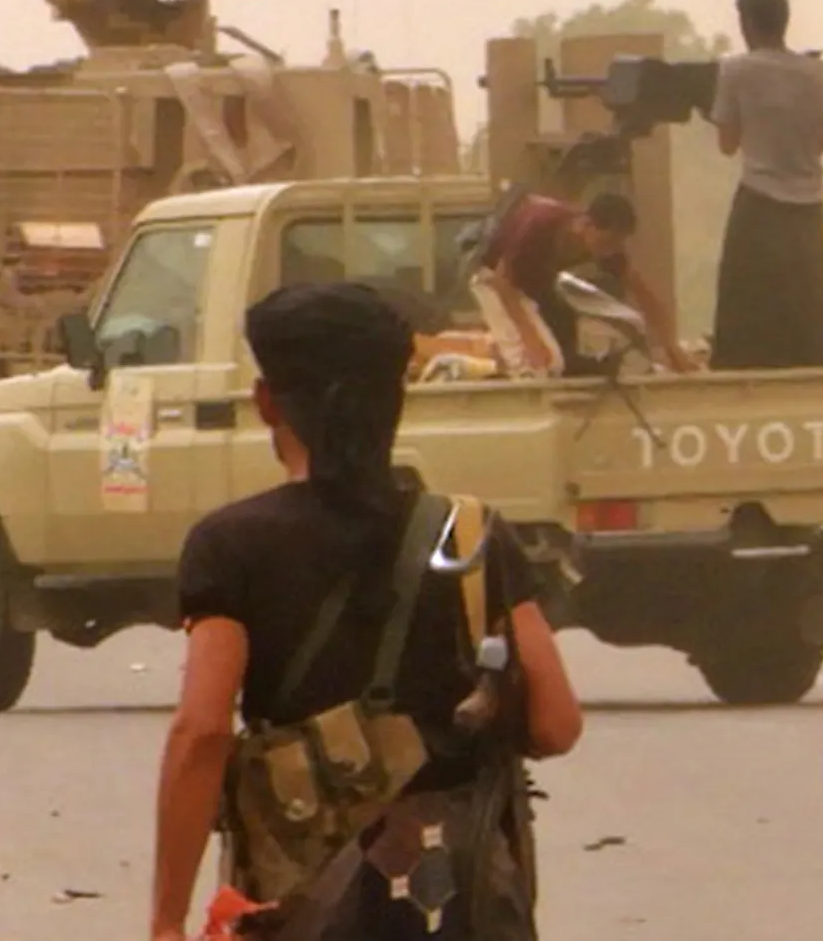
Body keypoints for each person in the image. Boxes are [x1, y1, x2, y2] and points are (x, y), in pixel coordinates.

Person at [150, 282, 583, 941]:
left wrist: (167, 920)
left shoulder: (230, 545)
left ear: (269, 404)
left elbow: (203, 731)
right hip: (454, 904)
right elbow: (555, 726)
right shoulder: (472, 536)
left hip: (302, 902)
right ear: (396, 401)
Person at [708, 0, 823, 370]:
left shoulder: (735, 69)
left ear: (747, 24)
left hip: (759, 198)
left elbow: (727, 144)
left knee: (744, 300)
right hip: (809, 202)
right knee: (808, 297)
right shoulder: (819, 71)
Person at [471, 189, 695, 378]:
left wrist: (672, 348)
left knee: (566, 346)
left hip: (537, 283)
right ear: (586, 225)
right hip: (494, 280)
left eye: (616, 244)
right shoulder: (541, 225)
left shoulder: (608, 249)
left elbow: (643, 293)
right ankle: (502, 361)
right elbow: (502, 281)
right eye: (606, 241)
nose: (609, 250)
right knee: (540, 363)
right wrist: (530, 339)